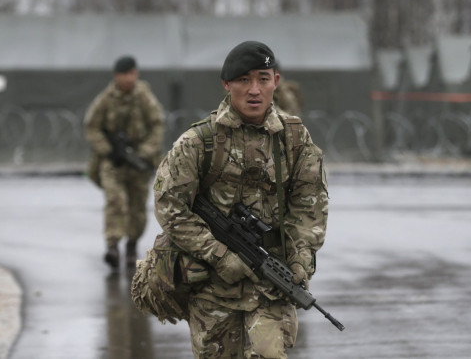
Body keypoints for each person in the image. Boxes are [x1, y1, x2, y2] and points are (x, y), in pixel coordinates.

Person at [152, 41, 328, 358]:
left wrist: (301, 259)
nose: (254, 90)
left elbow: (310, 203)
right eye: (243, 80)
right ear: (227, 84)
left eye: (262, 78)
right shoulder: (199, 142)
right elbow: (171, 208)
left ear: (276, 80)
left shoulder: (294, 139)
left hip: (271, 285)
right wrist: (220, 255)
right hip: (212, 288)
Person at [84, 56, 165, 270]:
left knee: (137, 207)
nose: (130, 79)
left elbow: (157, 125)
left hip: (138, 162)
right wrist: (108, 151)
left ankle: (131, 244)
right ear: (116, 76)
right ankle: (112, 245)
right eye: (126, 74)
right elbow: (91, 126)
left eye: (133, 74)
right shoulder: (106, 100)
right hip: (114, 162)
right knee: (115, 202)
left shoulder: (144, 97)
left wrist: (145, 152)